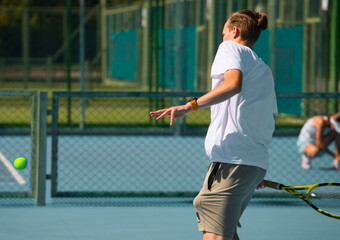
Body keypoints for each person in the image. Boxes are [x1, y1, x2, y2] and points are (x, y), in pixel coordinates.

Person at [150, 9, 277, 240]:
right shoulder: (262, 69)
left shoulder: (230, 47)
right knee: (224, 232)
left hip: (233, 160)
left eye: (223, 33)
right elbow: (264, 119)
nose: (222, 38)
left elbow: (232, 84)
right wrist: (252, 168)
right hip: (250, 162)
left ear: (234, 31)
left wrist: (189, 106)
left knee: (216, 235)